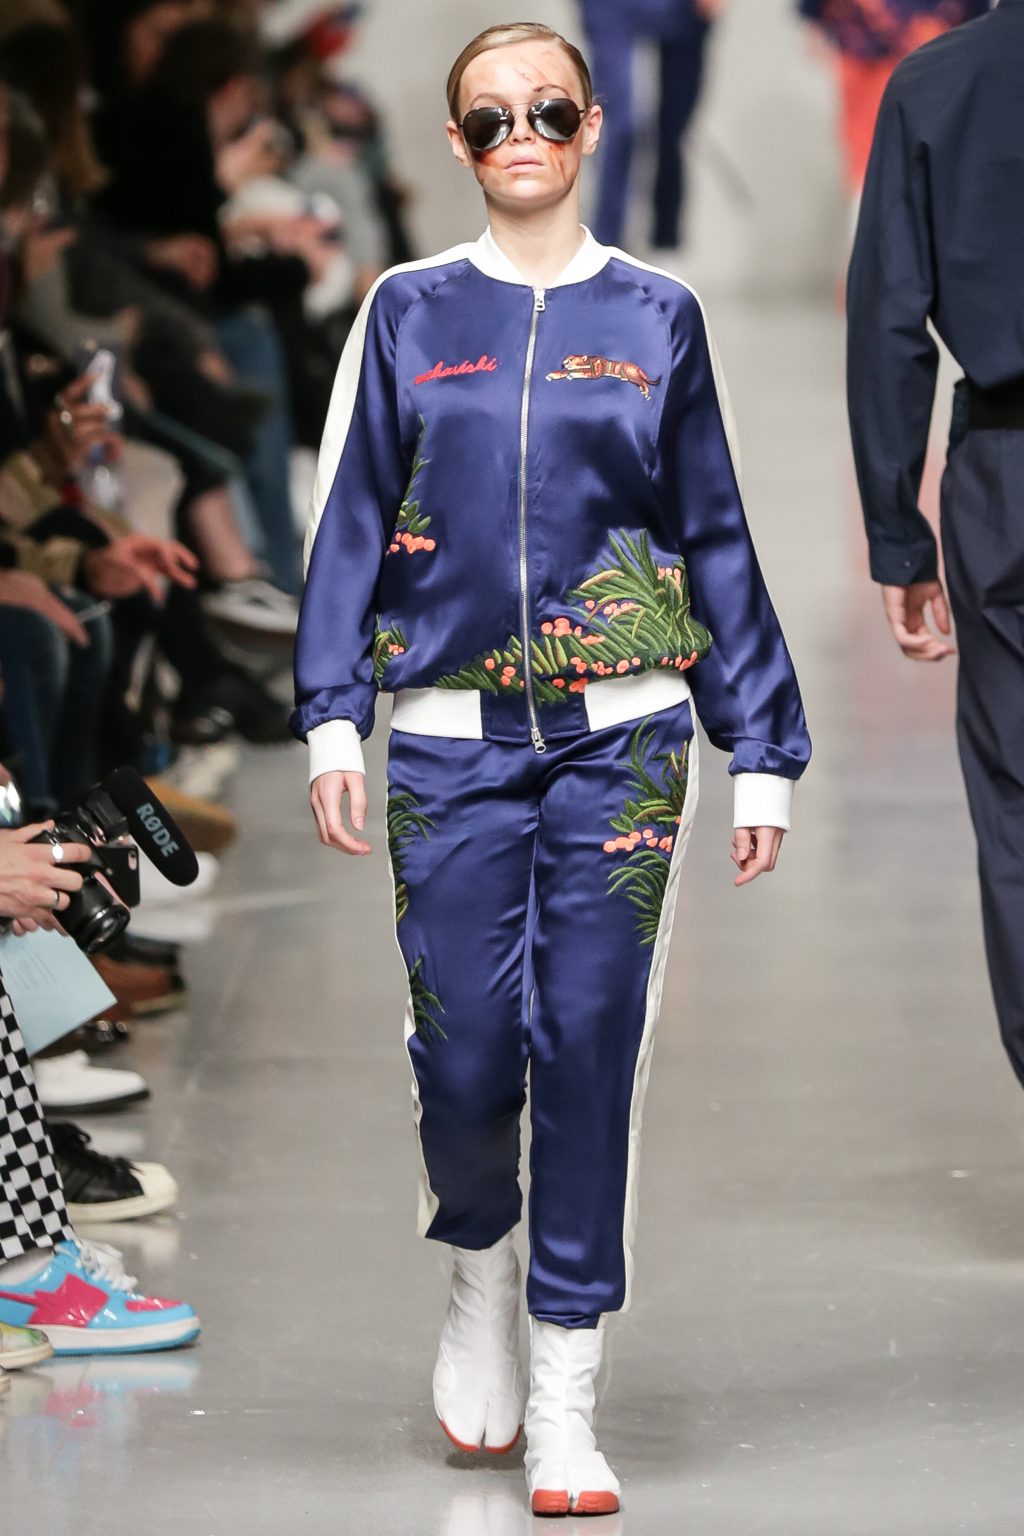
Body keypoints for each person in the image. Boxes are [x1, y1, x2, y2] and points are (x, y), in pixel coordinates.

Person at [292, 21, 809, 1517]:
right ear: (458, 143)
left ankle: (568, 1394)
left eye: (548, 109)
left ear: (588, 128)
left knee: (588, 1047)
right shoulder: (405, 310)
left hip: (625, 737)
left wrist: (761, 748)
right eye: (490, 116)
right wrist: (331, 714)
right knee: (464, 1057)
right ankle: (479, 1264)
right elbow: (349, 519)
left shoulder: (659, 316)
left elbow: (713, 531)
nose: (520, 133)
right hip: (448, 743)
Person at [847, 4, 1024, 1092]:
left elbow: (889, 319)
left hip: (1009, 473)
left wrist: (895, 534)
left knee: (1017, 793)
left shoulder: (937, 83)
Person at [798, 0, 988, 201]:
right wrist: (812, 18)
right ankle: (868, 201)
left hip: (934, 45)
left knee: (936, 144)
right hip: (864, 49)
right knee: (868, 151)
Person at [579, 0, 726, 249]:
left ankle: (664, 240)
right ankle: (607, 242)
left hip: (679, 11)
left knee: (672, 128)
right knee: (618, 124)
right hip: (610, 7)